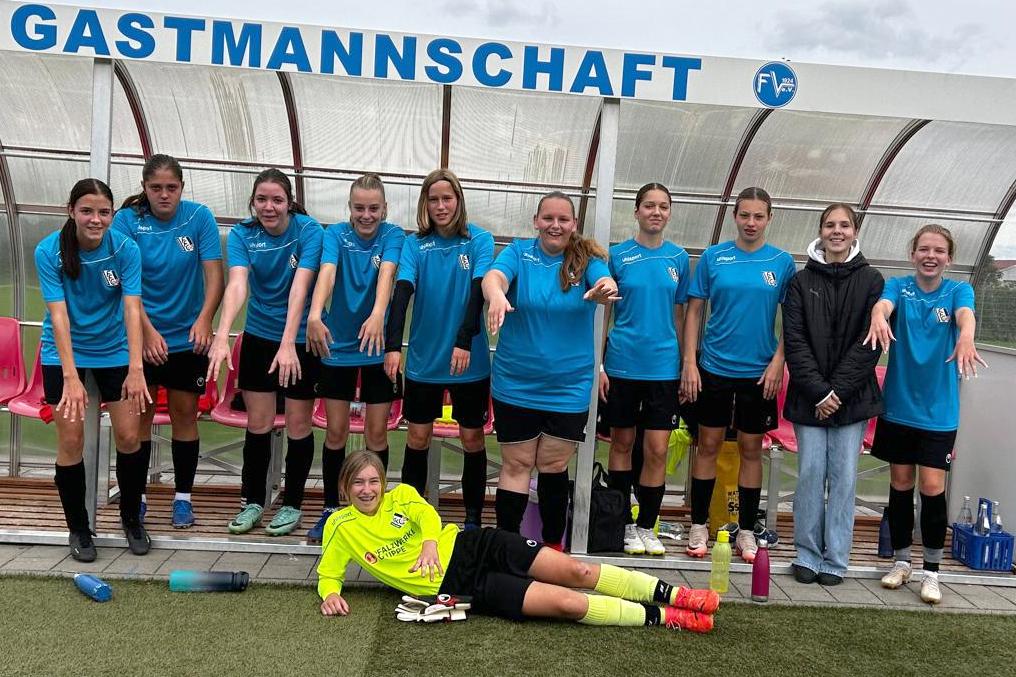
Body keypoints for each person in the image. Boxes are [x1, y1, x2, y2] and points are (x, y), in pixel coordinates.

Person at [317, 450, 718, 631]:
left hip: (474, 545)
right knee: (567, 603)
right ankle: (669, 618)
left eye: (373, 481)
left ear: (382, 483)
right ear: (345, 487)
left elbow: (428, 516)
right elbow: (329, 573)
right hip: (460, 587)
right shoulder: (340, 527)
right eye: (358, 483)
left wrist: (427, 543)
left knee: (576, 570)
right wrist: (329, 593)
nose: (367, 489)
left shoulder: (401, 495)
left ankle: (676, 594)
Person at [483, 191, 619, 549]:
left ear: (574, 224)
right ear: (536, 221)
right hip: (516, 382)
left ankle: (552, 548)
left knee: (553, 464)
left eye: (563, 219)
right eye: (548, 218)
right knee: (517, 463)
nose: (555, 225)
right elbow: (493, 277)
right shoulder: (519, 252)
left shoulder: (586, 258)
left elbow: (607, 282)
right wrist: (497, 295)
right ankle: (507, 546)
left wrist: (604, 290)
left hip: (569, 386)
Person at [865, 224, 986, 604]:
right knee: (900, 485)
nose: (930, 256)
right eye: (923, 249)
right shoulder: (898, 286)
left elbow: (966, 315)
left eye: (938, 250)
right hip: (898, 408)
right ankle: (902, 563)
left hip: (938, 413)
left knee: (932, 488)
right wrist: (879, 315)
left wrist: (966, 335)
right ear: (913, 253)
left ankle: (932, 571)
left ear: (948, 258)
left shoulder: (957, 290)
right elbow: (883, 305)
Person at [37, 178, 151, 561]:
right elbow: (59, 316)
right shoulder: (48, 251)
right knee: (70, 442)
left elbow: (133, 308)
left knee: (129, 437)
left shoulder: (126, 249)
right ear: (71, 211)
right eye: (87, 210)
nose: (95, 219)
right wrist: (70, 377)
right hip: (63, 353)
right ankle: (79, 529)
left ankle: (131, 519)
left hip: (114, 351)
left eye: (104, 212)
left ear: (112, 214)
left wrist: (136, 368)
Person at [681, 187, 796, 562]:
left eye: (758, 216)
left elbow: (791, 319)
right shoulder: (715, 257)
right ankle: (700, 524)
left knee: (750, 449)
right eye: (744, 215)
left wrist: (779, 360)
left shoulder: (781, 263)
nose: (751, 222)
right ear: (735, 216)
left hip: (759, 374)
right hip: (713, 369)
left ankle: (746, 530)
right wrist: (690, 362)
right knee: (708, 445)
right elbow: (695, 312)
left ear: (769, 218)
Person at [206, 169, 323, 536]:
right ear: (253, 202)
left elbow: (300, 288)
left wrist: (290, 342)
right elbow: (238, 284)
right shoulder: (242, 234)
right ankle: (253, 501)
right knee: (258, 425)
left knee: (298, 426)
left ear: (289, 203)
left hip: (301, 342)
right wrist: (223, 335)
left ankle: (292, 504)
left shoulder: (309, 231)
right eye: (261, 200)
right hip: (258, 339)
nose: (269, 207)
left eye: (277, 200)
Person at [113, 154, 224, 529]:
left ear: (181, 188)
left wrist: (205, 319)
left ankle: (182, 498)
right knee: (138, 420)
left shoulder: (198, 218)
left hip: (186, 341)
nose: (164, 195)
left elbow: (215, 276)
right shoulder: (127, 221)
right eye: (156, 188)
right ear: (144, 188)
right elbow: (127, 285)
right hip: (140, 337)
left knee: (184, 416)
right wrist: (145, 332)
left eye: (171, 188)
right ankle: (137, 496)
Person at [384, 169, 494, 528]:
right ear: (425, 204)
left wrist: (464, 341)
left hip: (469, 361)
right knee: (417, 436)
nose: (441, 206)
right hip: (424, 362)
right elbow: (401, 293)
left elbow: (479, 291)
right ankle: (412, 517)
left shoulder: (479, 239)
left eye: (447, 199)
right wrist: (392, 346)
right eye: (434, 199)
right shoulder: (415, 244)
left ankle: (473, 518)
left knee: (472, 437)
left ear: (459, 201)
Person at [782, 203, 884, 585]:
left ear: (855, 232)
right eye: (830, 225)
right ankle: (807, 553)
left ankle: (835, 559)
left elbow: (870, 344)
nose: (837, 231)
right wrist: (820, 392)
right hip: (810, 398)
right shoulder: (800, 281)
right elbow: (795, 340)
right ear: (821, 231)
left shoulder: (873, 281)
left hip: (852, 399)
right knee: (810, 474)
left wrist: (837, 392)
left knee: (843, 478)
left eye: (844, 225)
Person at [305, 173, 406, 542]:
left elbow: (388, 276)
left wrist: (378, 313)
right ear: (349, 208)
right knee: (336, 431)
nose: (366, 215)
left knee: (376, 433)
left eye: (373, 208)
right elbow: (327, 273)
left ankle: (376, 511)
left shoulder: (393, 235)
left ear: (384, 209)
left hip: (376, 347)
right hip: (338, 347)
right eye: (359, 208)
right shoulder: (335, 234)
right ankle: (332, 507)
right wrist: (316, 314)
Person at [599, 183, 689, 556]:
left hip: (663, 370)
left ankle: (647, 526)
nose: (656, 212)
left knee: (656, 449)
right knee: (621, 443)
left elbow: (681, 314)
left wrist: (687, 365)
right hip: (622, 365)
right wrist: (599, 363)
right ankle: (621, 525)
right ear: (636, 212)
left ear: (669, 213)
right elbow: (604, 313)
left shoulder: (679, 258)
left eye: (663, 206)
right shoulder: (617, 256)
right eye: (649, 205)